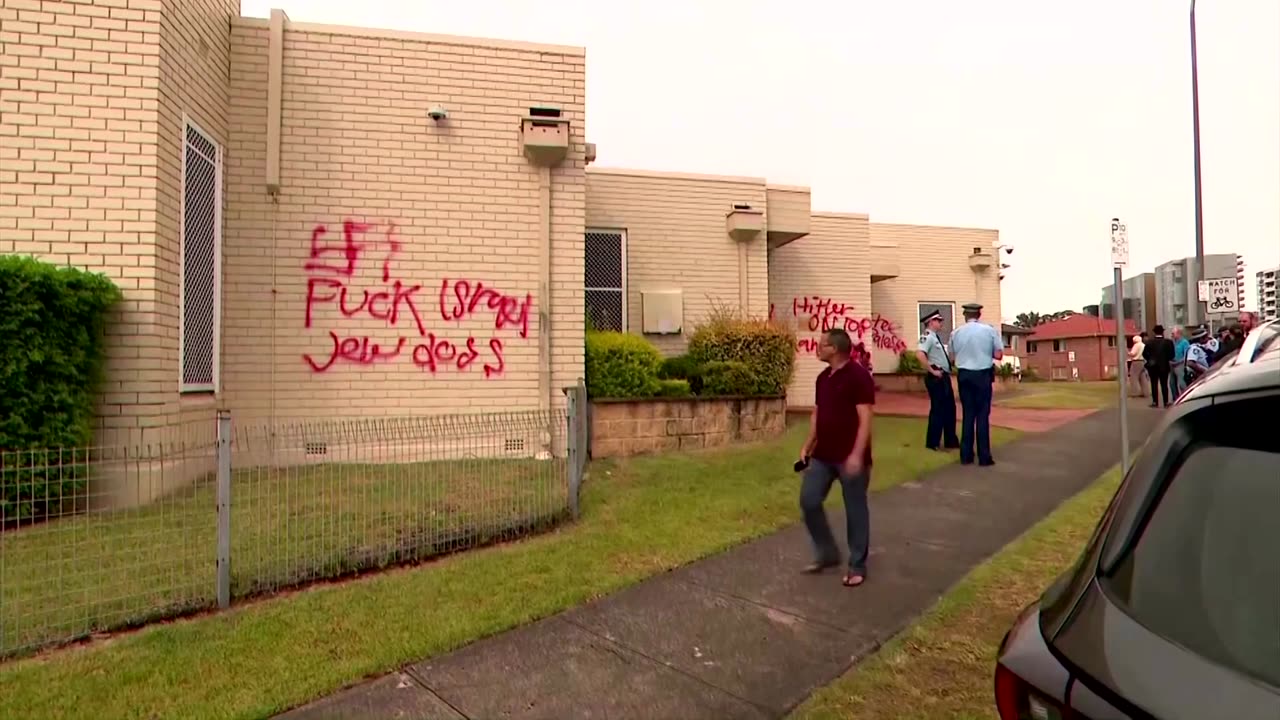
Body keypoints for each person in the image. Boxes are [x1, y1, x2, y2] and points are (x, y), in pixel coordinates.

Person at [797, 328, 875, 588]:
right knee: (809, 500)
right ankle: (828, 553)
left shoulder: (859, 377)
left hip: (850, 458)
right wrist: (808, 445)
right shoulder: (822, 378)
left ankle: (857, 565)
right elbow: (818, 415)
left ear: (835, 349)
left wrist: (856, 454)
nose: (817, 348)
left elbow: (865, 419)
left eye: (822, 345)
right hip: (823, 455)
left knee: (855, 509)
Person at [949, 302, 1003, 466]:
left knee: (968, 414)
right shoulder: (989, 330)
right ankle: (984, 456)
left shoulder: (956, 333)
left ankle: (966, 456)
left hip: (964, 374)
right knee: (982, 415)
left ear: (965, 315)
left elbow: (951, 357)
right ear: (979, 315)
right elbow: (999, 354)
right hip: (982, 375)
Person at [916, 310, 959, 452]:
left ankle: (950, 440)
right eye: (938, 320)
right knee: (938, 410)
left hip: (943, 376)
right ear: (930, 322)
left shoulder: (935, 337)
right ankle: (932, 442)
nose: (941, 323)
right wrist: (932, 370)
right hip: (936, 377)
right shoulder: (927, 336)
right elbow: (920, 354)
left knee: (949, 409)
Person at [1142, 324, 1175, 408]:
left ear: (1154, 332)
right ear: (1162, 332)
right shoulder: (1168, 342)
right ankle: (1166, 401)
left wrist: (1150, 359)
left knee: (1154, 384)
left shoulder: (1149, 342)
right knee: (1164, 384)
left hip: (1153, 367)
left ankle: (1155, 402)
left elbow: (1144, 354)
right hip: (1164, 366)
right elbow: (1172, 355)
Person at [1169, 326, 1190, 397]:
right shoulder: (1172, 342)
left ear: (1179, 333)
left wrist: (1178, 362)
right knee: (1172, 383)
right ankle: (1175, 398)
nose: (1171, 335)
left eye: (1173, 333)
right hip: (1172, 364)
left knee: (1181, 383)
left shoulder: (1185, 342)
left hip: (1180, 364)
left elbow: (1186, 355)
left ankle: (1185, 397)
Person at [1126, 333, 1146, 398]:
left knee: (1133, 378)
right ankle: (1145, 392)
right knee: (1142, 378)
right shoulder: (1143, 345)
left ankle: (1135, 393)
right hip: (1143, 362)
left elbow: (1133, 353)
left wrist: (1128, 353)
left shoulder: (1136, 345)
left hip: (1136, 361)